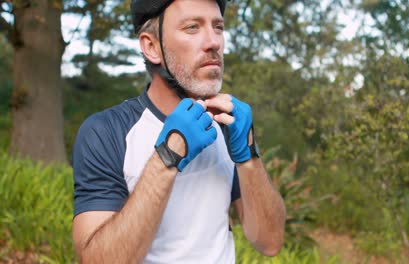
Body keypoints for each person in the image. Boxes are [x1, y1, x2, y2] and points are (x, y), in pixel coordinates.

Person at [71, 0, 286, 263]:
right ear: (152, 46)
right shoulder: (106, 132)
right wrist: (166, 158)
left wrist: (249, 155)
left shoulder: (226, 125)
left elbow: (270, 242)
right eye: (192, 27)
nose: (213, 42)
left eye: (218, 27)